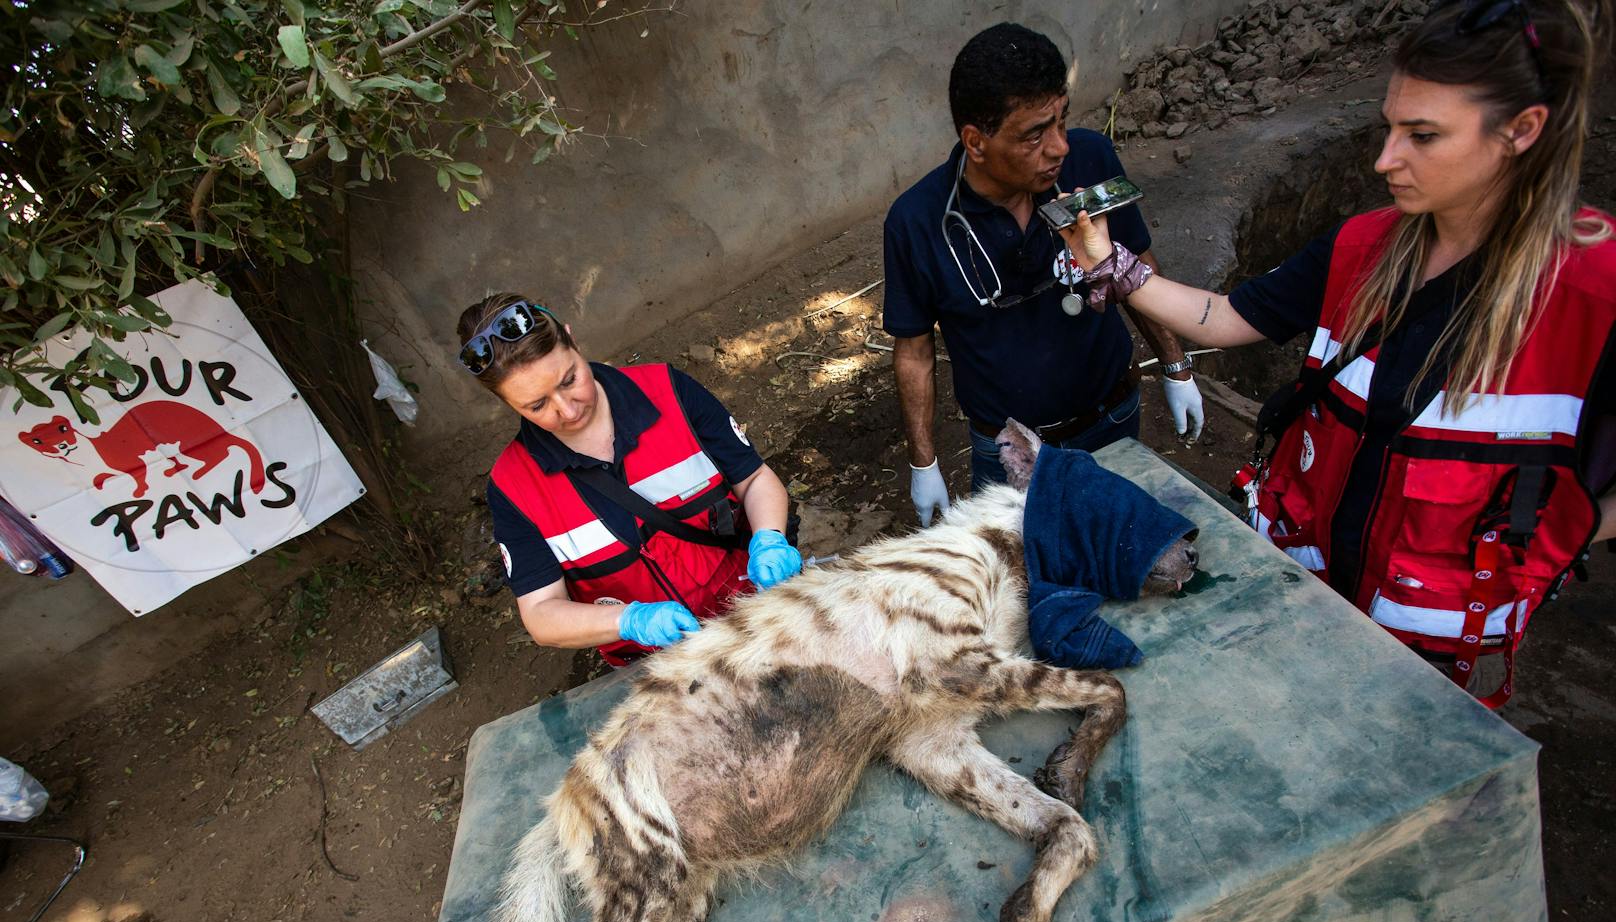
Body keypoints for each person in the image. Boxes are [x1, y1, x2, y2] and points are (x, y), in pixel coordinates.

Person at [1058, 0, 1616, 704]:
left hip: (1432, 658)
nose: (1386, 160)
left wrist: (1559, 534)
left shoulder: (1595, 296)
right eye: (1390, 128)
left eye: (1423, 135)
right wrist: (1114, 266)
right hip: (1305, 600)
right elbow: (1227, 317)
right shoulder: (1366, 246)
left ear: (1522, 130)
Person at [882, 22, 1203, 525]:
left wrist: (1175, 365)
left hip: (1113, 416)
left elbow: (1137, 267)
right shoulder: (916, 222)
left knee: (1120, 552)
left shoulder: (1090, 160)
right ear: (976, 141)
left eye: (1061, 121)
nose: (1060, 147)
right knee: (1027, 585)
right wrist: (924, 463)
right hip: (1009, 451)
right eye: (1035, 134)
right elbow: (915, 351)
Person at [459, 294, 803, 666]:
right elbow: (542, 613)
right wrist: (628, 621)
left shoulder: (669, 391)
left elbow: (753, 479)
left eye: (570, 380)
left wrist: (770, 538)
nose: (568, 410)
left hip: (758, 613)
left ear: (573, 341)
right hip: (661, 664)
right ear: (507, 403)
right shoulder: (513, 488)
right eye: (537, 405)